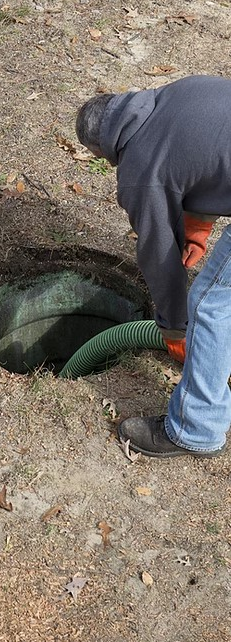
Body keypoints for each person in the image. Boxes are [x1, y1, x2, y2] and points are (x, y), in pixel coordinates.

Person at [75, 74, 231, 459]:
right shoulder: (180, 92)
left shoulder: (139, 171)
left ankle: (196, 428)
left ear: (103, 149)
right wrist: (196, 229)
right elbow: (208, 153)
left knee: (209, 307)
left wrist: (175, 327)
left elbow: (158, 256)